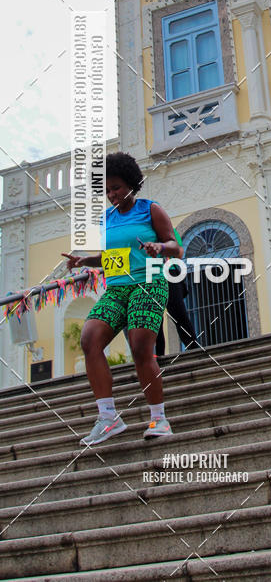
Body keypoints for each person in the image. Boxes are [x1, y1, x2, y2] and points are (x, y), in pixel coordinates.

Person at [62, 152, 182, 445]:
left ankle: (159, 419)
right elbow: (111, 259)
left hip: (150, 283)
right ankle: (108, 418)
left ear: (131, 182)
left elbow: (176, 248)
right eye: (106, 190)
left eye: (116, 187)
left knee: (141, 346)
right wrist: (84, 260)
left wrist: (158, 247)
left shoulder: (150, 209)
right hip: (117, 288)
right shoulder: (106, 219)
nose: (111, 194)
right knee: (90, 339)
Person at [155, 228, 201, 356]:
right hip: (149, 272)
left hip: (169, 270)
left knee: (178, 312)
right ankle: (158, 356)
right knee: (155, 317)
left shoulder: (166, 228)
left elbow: (178, 250)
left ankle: (194, 349)